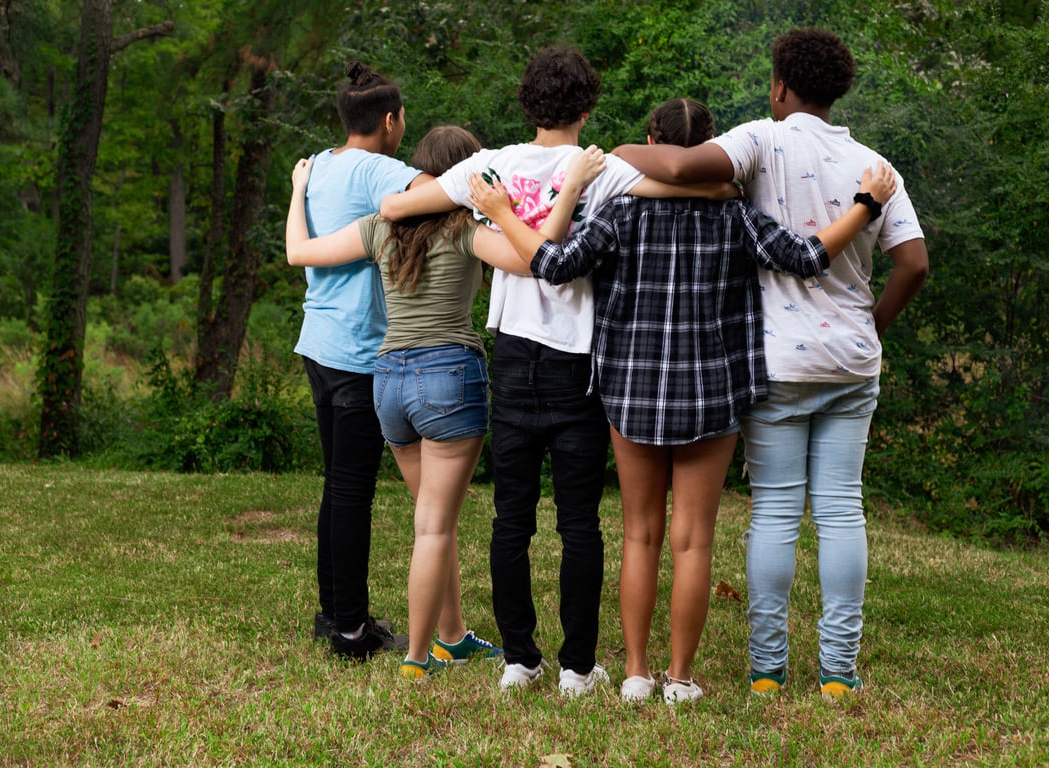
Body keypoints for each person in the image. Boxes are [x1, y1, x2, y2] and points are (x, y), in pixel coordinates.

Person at [472, 96, 896, 704]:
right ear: (709, 145)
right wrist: (865, 205)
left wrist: (497, 213)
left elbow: (554, 265)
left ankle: (636, 675)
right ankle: (680, 678)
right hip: (713, 394)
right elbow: (806, 258)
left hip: (630, 390)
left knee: (639, 536)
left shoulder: (619, 213)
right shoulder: (738, 215)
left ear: (652, 139)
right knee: (693, 540)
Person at [379, 48, 730, 696]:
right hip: (576, 358)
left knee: (511, 515)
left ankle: (519, 659)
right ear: (588, 107)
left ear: (525, 105)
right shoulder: (601, 168)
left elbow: (399, 209)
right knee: (579, 522)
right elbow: (689, 186)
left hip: (511, 353)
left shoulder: (491, 167)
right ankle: (576, 667)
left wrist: (471, 202)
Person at [612, 29, 929, 698]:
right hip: (851, 361)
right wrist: (871, 325)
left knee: (777, 513)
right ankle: (838, 673)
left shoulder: (759, 138)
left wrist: (615, 152)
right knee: (842, 511)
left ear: (781, 86)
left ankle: (766, 671)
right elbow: (914, 263)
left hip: (779, 360)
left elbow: (675, 170)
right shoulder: (876, 165)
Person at [287, 127, 607, 679]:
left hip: (386, 380)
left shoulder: (379, 227)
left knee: (433, 521)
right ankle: (417, 658)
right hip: (446, 378)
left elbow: (299, 253)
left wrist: (299, 191)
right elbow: (537, 260)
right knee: (433, 526)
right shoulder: (467, 227)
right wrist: (565, 190)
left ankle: (452, 636)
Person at [295, 61, 430, 661]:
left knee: (336, 484)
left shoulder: (319, 166)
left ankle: (334, 613)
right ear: (390, 120)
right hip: (356, 350)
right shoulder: (380, 168)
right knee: (352, 490)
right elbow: (443, 189)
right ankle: (352, 630)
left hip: (317, 344)